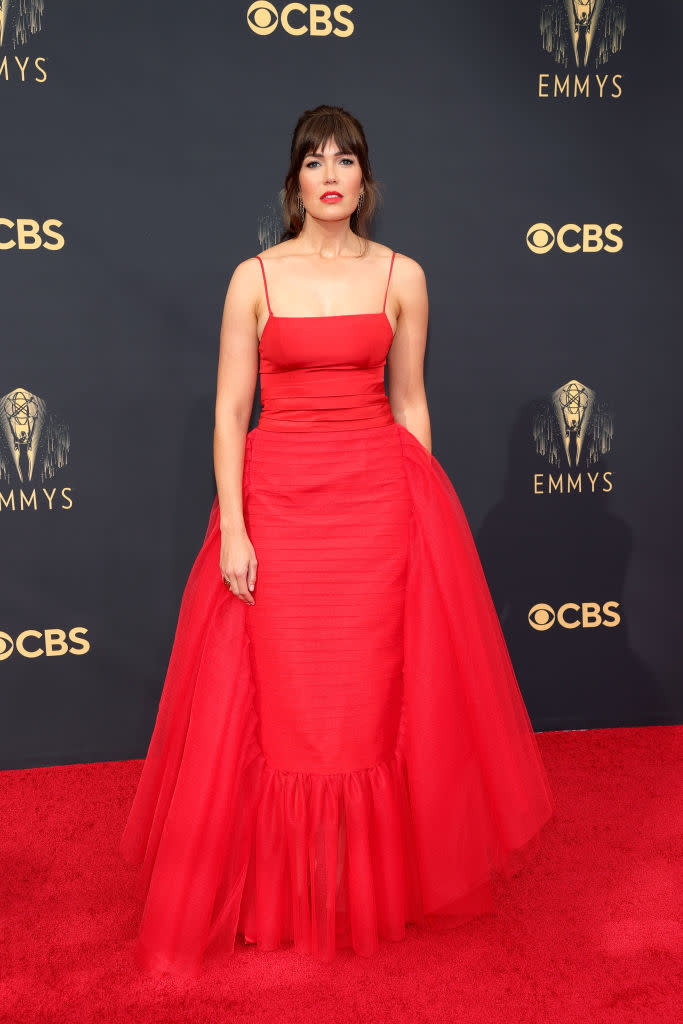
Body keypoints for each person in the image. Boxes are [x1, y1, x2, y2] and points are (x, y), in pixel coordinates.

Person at [120, 104, 554, 979]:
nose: (330, 172)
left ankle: (363, 889)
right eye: (314, 159)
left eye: (345, 159)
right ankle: (274, 892)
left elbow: (409, 402)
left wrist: (422, 510)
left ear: (365, 179)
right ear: (294, 182)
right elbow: (229, 413)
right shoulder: (254, 279)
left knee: (368, 706)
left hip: (376, 507)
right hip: (276, 506)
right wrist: (235, 527)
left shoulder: (403, 275)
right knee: (283, 711)